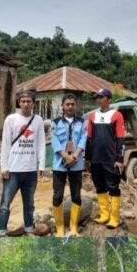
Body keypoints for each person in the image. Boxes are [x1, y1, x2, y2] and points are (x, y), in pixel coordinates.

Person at [0, 90, 45, 236]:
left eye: (29, 101)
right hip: (13, 170)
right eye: (23, 101)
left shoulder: (38, 120)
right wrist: (4, 167)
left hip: (30, 170)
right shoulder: (11, 119)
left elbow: (41, 143)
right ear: (19, 102)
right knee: (5, 204)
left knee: (29, 203)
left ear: (33, 103)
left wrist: (41, 164)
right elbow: (5, 144)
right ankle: (1, 231)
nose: (25, 104)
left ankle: (29, 229)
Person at [85, 88, 125, 230]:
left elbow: (120, 138)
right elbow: (89, 138)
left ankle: (115, 218)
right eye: (97, 97)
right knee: (100, 187)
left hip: (111, 159)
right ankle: (104, 215)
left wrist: (120, 159)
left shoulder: (117, 115)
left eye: (101, 97)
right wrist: (87, 158)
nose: (98, 99)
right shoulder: (92, 117)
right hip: (96, 159)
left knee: (113, 187)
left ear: (108, 99)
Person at [51, 93, 87, 236]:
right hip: (60, 164)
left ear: (76, 106)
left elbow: (83, 139)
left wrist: (75, 156)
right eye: (68, 104)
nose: (70, 106)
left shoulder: (82, 122)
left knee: (76, 195)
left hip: (76, 164)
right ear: (62, 106)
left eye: (73, 104)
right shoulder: (55, 122)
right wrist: (66, 156)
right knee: (57, 195)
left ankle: (73, 227)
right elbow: (54, 141)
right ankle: (60, 228)